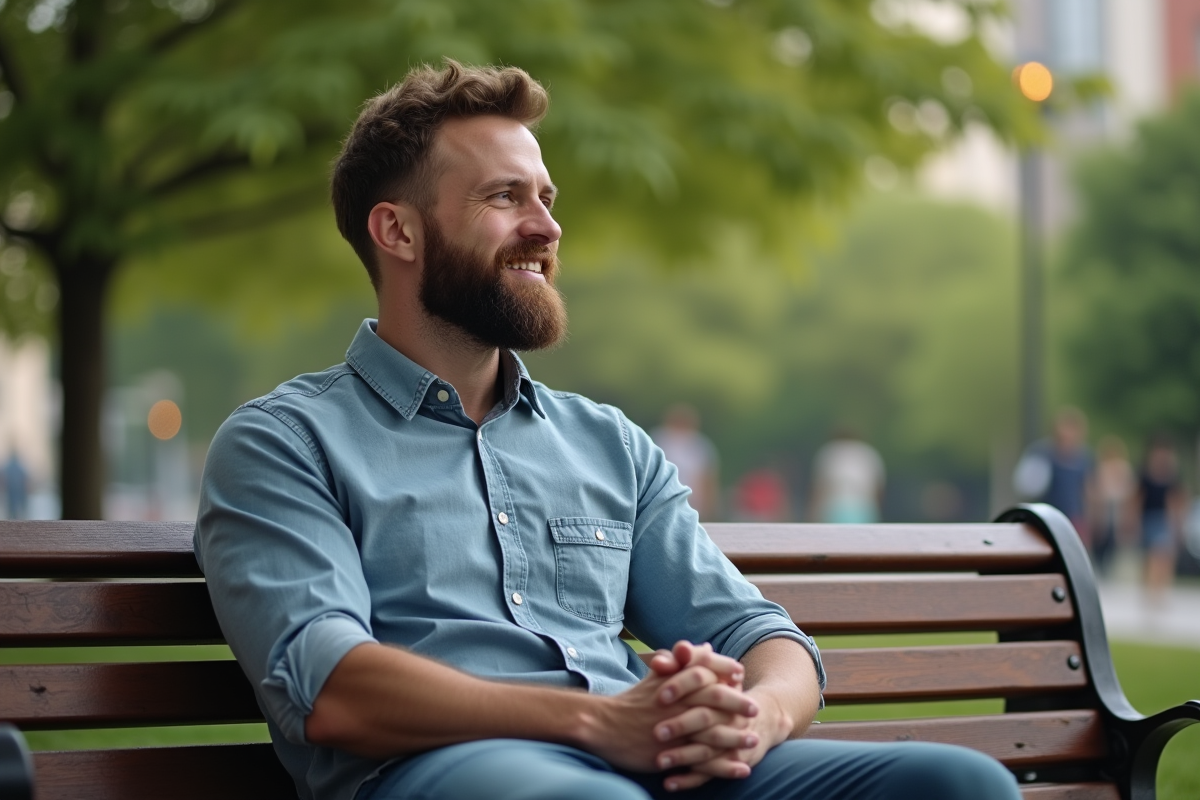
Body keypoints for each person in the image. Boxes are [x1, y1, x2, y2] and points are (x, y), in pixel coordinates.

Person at [194, 61, 1020, 800]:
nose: (547, 228)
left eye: (545, 199)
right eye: (503, 197)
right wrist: (593, 723)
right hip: (443, 769)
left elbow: (760, 635)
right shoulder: (284, 444)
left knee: (956, 783)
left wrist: (753, 718)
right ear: (398, 231)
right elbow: (330, 687)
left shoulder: (606, 443)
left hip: (647, 761)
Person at [1013, 408, 1094, 549]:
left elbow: (1088, 490)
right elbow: (1027, 485)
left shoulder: (1084, 457)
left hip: (1074, 519)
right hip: (1046, 518)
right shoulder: (1041, 453)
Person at [1135, 436, 1186, 609]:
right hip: (1148, 517)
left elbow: (1176, 500)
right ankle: (1150, 593)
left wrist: (1177, 523)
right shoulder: (1146, 473)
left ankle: (1160, 592)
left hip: (1164, 519)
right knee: (1151, 557)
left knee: (1163, 556)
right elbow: (1138, 498)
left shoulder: (1172, 475)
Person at [651, 404, 719, 520]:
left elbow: (707, 478)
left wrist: (709, 507)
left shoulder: (700, 445)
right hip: (662, 500)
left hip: (692, 503)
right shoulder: (658, 440)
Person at [809, 428, 885, 523]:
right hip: (863, 506)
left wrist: (813, 513)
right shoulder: (869, 453)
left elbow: (819, 488)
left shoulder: (829, 452)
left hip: (833, 506)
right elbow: (877, 488)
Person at [1089, 436, 1135, 576]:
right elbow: (1094, 490)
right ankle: (1100, 565)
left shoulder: (1123, 468)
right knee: (1101, 539)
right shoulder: (1099, 468)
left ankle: (1107, 567)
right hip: (1102, 508)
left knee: (1113, 540)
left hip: (1117, 509)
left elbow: (1129, 490)